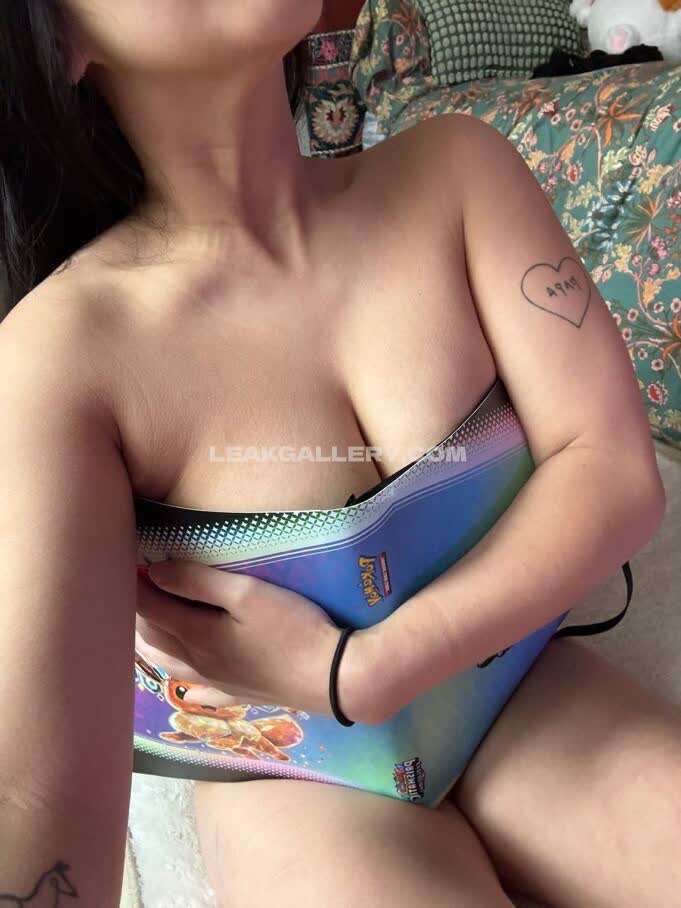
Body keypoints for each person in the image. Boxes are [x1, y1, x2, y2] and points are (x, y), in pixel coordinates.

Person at [0, 3, 679, 907]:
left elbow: (611, 467)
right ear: (56, 40)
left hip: (512, 687)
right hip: (289, 776)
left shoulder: (457, 170)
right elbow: (32, 794)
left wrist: (367, 670)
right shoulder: (58, 354)